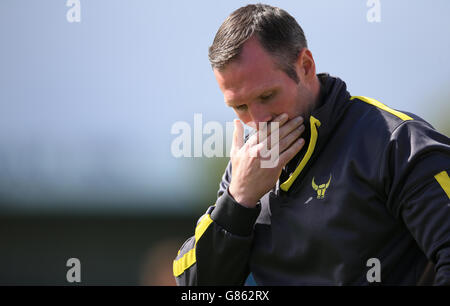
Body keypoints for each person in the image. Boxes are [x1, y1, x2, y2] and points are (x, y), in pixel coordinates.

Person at [172, 4, 450, 285]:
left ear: (305, 66)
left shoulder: (396, 142)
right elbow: (196, 288)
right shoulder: (246, 168)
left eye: (267, 96)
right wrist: (238, 201)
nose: (258, 120)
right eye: (240, 106)